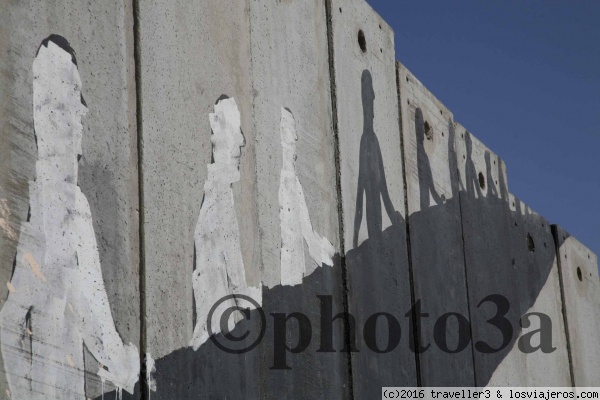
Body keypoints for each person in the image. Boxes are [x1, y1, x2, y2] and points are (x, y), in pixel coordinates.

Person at [0, 36, 139, 399]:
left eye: (75, 98)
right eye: (60, 103)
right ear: (40, 117)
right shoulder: (56, 206)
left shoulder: (62, 201)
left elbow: (78, 308)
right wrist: (127, 364)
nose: (80, 111)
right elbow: (85, 314)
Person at [190, 97, 261, 351]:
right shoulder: (220, 195)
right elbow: (235, 275)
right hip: (218, 330)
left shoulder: (215, 192)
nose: (242, 141)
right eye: (235, 131)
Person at [278, 108, 335, 286]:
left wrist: (325, 254)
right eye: (289, 128)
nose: (295, 136)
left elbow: (307, 230)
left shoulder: (293, 181)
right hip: (288, 274)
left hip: (294, 273)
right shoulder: (284, 180)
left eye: (294, 129)